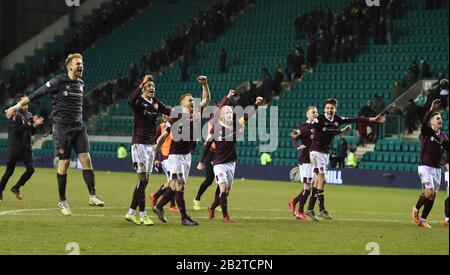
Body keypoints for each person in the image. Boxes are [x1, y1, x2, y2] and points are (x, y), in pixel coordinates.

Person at [5, 53, 105, 216]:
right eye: (78, 63)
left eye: (82, 63)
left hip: (79, 127)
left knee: (86, 158)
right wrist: (17, 106)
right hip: (62, 129)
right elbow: (36, 94)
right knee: (64, 163)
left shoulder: (81, 83)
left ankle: (92, 195)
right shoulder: (58, 81)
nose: (81, 66)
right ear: (70, 67)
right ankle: (63, 201)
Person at [304, 98, 385, 221]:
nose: (329, 110)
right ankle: (321, 209)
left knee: (318, 182)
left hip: (325, 153)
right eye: (327, 108)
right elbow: (308, 126)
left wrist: (372, 119)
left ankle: (310, 209)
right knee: (322, 179)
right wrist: (300, 131)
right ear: (324, 109)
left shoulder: (337, 119)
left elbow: (354, 119)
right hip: (315, 152)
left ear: (335, 108)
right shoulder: (319, 119)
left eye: (332, 108)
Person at [197, 91, 264, 222]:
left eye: (230, 112)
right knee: (223, 187)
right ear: (221, 115)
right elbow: (207, 145)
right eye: (226, 112)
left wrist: (256, 104)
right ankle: (225, 216)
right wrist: (201, 161)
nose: (229, 114)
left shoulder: (234, 126)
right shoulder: (215, 129)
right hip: (219, 163)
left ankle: (211, 207)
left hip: (231, 162)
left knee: (226, 191)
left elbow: (246, 116)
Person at [153, 75, 211, 226]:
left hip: (187, 156)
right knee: (180, 186)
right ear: (182, 103)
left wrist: (204, 85)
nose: (193, 101)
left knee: (173, 186)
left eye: (193, 99)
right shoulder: (176, 115)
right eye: (189, 100)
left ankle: (158, 206)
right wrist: (155, 149)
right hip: (176, 156)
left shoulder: (196, 112)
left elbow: (206, 100)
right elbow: (165, 135)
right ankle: (184, 217)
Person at [125, 75, 173, 226]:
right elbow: (130, 100)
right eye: (149, 86)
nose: (152, 88)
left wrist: (187, 113)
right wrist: (141, 83)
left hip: (151, 145)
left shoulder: (156, 103)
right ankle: (142, 215)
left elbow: (171, 111)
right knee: (142, 180)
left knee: (144, 182)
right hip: (139, 143)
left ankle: (130, 213)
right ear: (144, 89)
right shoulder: (139, 102)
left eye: (153, 86)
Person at [289, 106, 351, 221]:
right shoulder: (304, 127)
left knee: (312, 186)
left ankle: (297, 204)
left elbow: (330, 132)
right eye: (313, 112)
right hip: (306, 159)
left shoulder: (319, 125)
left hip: (315, 160)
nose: (315, 114)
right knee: (308, 187)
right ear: (307, 114)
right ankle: (301, 211)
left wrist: (342, 131)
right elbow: (294, 136)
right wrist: (298, 146)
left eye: (317, 112)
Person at [411, 99, 449, 228]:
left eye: (441, 118)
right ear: (432, 121)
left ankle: (423, 220)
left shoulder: (443, 137)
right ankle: (415, 209)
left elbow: (445, 153)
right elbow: (423, 125)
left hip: (436, 169)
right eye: (437, 118)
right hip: (425, 166)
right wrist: (432, 109)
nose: (440, 120)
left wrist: (446, 162)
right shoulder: (427, 132)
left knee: (433, 196)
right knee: (428, 192)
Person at [0, 94, 44, 203]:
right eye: (24, 99)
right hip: (15, 147)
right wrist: (29, 124)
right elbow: (16, 132)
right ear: (19, 102)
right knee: (9, 172)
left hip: (26, 147)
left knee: (31, 170)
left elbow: (31, 132)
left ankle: (16, 187)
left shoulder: (29, 114)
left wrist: (34, 126)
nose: (27, 101)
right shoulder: (14, 113)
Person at [150, 115, 178, 213]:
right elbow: (155, 143)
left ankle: (155, 196)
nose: (166, 117)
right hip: (165, 157)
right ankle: (172, 205)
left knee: (172, 182)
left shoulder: (175, 126)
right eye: (164, 116)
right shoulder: (160, 127)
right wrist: (156, 158)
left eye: (168, 115)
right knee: (174, 180)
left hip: (173, 156)